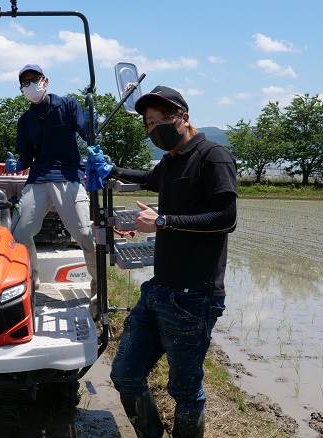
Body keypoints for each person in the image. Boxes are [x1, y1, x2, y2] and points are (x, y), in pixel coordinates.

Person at [87, 86, 236, 437]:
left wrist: (163, 222)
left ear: (182, 116)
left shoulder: (213, 156)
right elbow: (149, 178)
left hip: (193, 296)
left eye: (159, 120)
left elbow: (226, 217)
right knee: (124, 374)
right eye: (148, 124)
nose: (154, 128)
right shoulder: (171, 160)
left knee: (184, 391)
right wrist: (111, 169)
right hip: (159, 290)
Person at [6, 64, 98, 309]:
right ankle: (30, 280)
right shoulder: (25, 120)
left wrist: (91, 120)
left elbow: (88, 132)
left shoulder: (67, 105)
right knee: (20, 233)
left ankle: (99, 288)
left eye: (33, 80)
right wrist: (16, 164)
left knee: (85, 234)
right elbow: (25, 157)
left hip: (68, 175)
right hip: (38, 178)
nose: (30, 86)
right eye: (25, 83)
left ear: (45, 80)